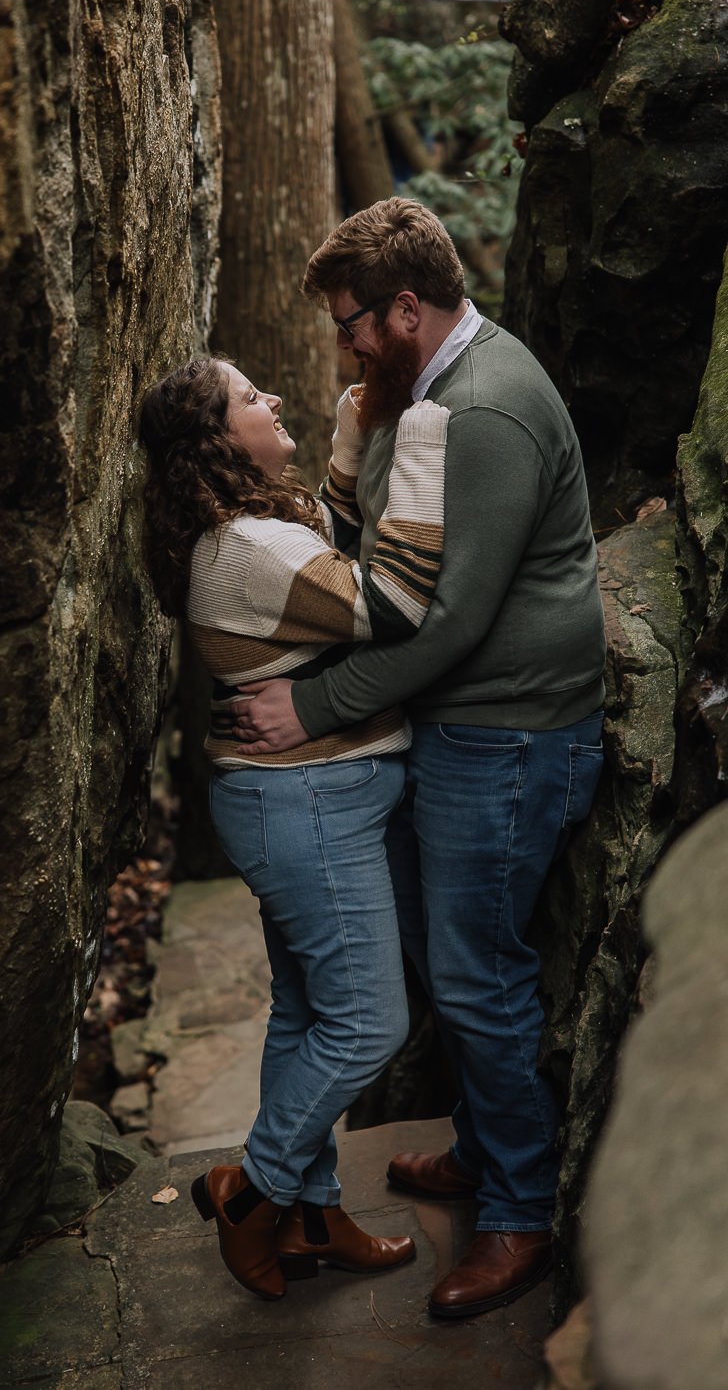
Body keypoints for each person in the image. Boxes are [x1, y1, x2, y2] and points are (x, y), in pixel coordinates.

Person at [230, 197, 606, 1319]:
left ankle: (515, 1216)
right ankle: (486, 1154)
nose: (342, 343)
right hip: (461, 725)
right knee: (449, 965)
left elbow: (451, 622)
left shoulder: (484, 407)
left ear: (406, 306)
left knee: (477, 977)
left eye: (352, 322)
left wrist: (315, 706)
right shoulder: (427, 387)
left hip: (508, 735)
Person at [139, 355, 450, 1301]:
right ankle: (255, 1190)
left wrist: (351, 449)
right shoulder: (242, 547)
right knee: (368, 1022)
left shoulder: (244, 533)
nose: (271, 398)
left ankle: (312, 1218)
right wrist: (425, 442)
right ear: (216, 442)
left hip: (299, 798)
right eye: (247, 397)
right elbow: (393, 603)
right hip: (307, 803)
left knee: (310, 1014)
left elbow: (320, 548)